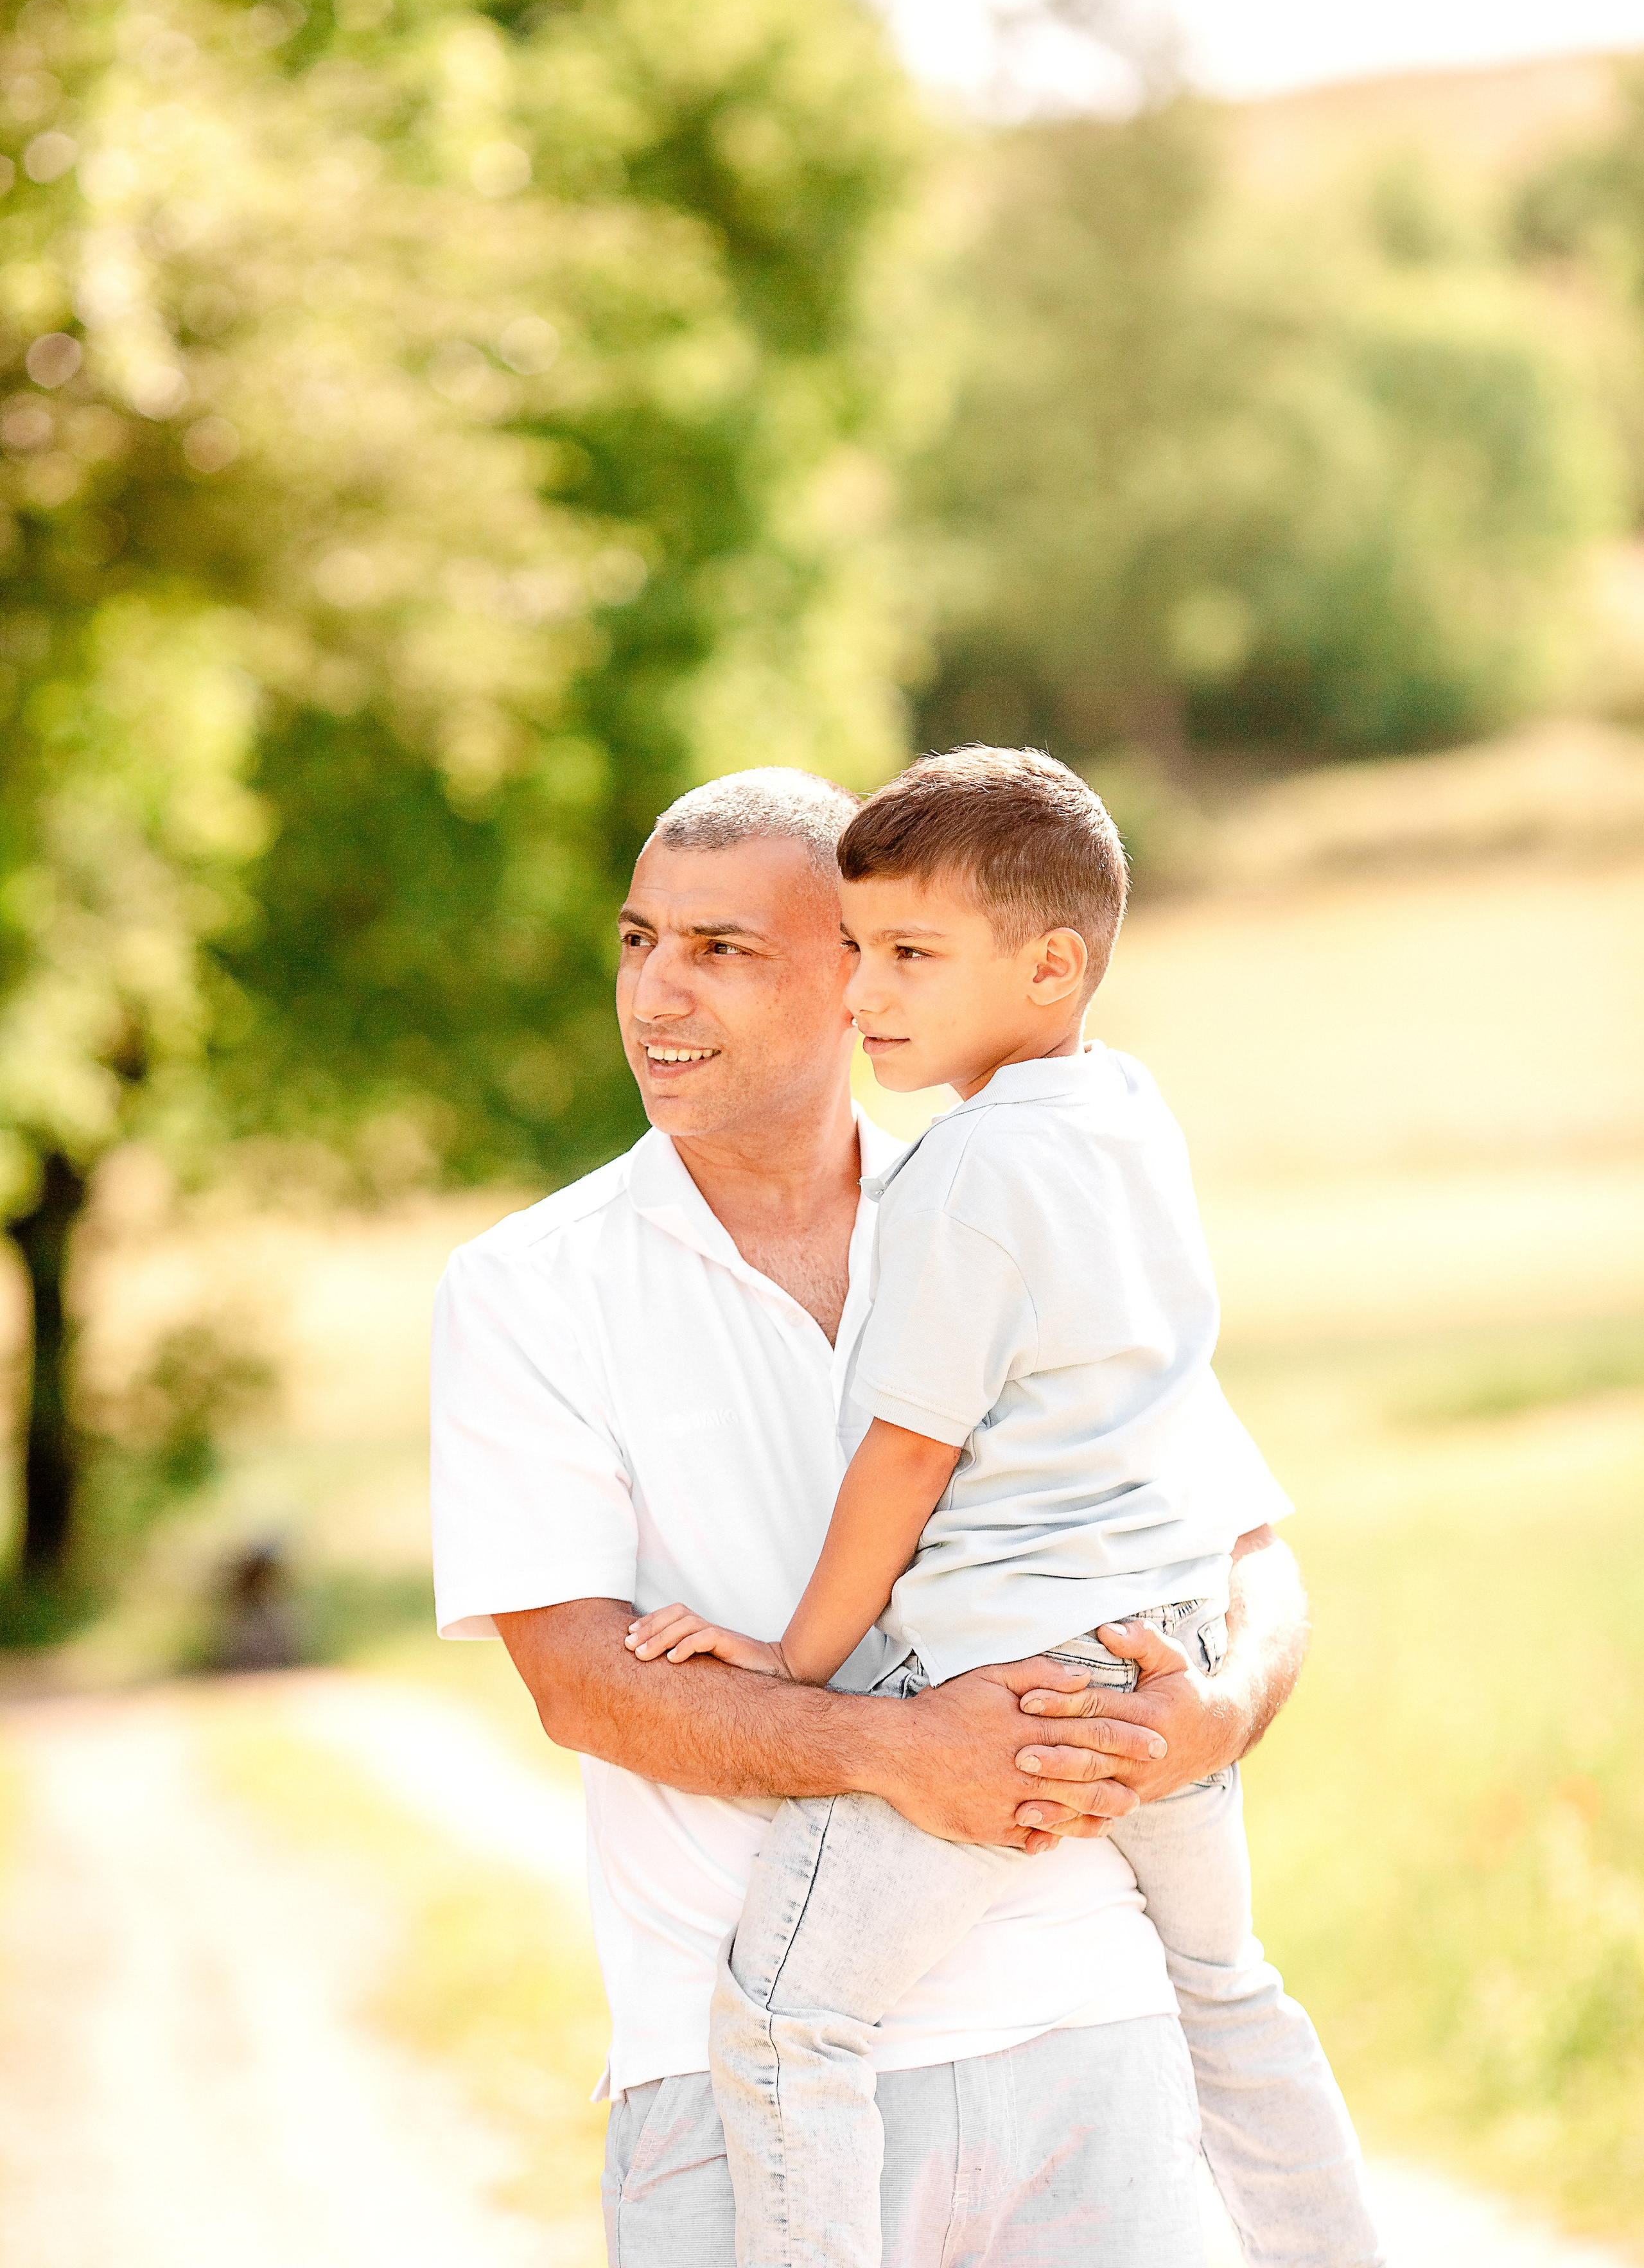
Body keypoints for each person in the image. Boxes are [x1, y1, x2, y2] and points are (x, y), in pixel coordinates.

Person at [430, 766, 1325, 2268]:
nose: (654, 989)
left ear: (863, 969)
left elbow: (1247, 1552)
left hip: (1084, 2035)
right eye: (638, 938)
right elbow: (579, 1682)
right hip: (737, 2088)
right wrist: (901, 1752)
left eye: (722, 948)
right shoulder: (527, 1288)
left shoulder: (1005, 1194)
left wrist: (1208, 1720)